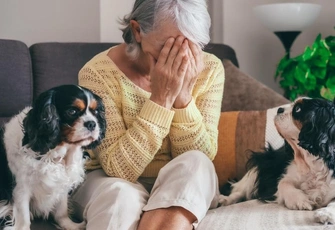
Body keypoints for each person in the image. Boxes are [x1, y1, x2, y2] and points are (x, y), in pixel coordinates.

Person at [72, 0, 225, 229]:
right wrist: (161, 99)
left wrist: (182, 97)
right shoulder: (97, 73)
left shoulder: (210, 69)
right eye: (168, 46)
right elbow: (119, 169)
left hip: (180, 183)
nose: (180, 56)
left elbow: (200, 156)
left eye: (190, 46)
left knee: (197, 163)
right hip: (108, 179)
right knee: (119, 195)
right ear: (137, 30)